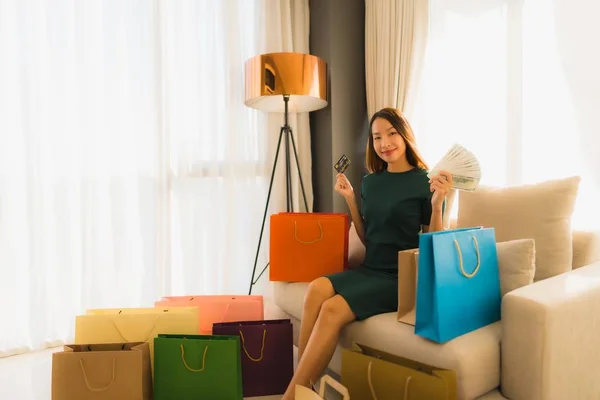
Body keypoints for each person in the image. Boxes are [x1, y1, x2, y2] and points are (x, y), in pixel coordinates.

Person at [280, 107, 452, 399]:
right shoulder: (371, 182)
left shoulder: (425, 181)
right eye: (376, 137)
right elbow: (367, 237)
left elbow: (433, 243)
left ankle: (292, 396)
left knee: (332, 309)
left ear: (405, 134)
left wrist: (437, 205)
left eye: (391, 134)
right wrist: (350, 200)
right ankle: (304, 386)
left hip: (401, 277)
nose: (384, 143)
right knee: (316, 289)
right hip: (372, 268)